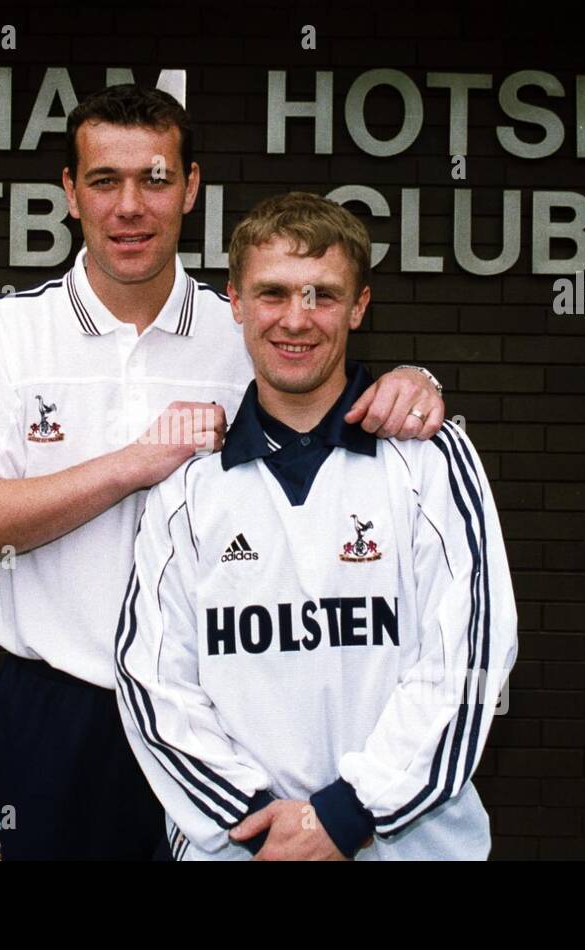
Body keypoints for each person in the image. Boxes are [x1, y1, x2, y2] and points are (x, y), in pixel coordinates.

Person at [0, 85, 447, 860]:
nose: (130, 206)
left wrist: (417, 382)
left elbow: (331, 390)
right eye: (105, 180)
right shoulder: (13, 332)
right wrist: (134, 465)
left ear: (191, 188)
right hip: (62, 706)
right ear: (70, 193)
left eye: (155, 179)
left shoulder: (241, 328)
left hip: (223, 717)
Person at [115, 191, 518, 861]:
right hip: (245, 848)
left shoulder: (430, 459)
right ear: (236, 303)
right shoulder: (188, 488)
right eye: (271, 293)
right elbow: (154, 682)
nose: (295, 321)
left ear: (359, 306)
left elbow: (468, 659)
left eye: (322, 296)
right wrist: (259, 820)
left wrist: (347, 812)